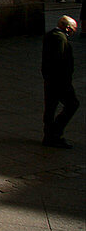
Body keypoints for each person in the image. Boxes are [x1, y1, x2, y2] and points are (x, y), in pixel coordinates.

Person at [42, 16, 79, 148]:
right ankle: (55, 133)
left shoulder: (50, 35)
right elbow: (59, 61)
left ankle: (49, 136)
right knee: (72, 104)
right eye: (74, 29)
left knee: (50, 108)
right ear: (67, 28)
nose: (74, 31)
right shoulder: (59, 38)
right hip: (59, 81)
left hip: (50, 79)